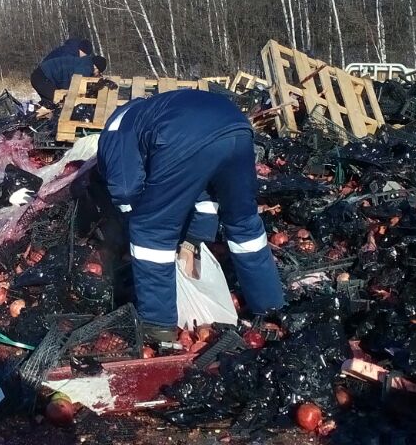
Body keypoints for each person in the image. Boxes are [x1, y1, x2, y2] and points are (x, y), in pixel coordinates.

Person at [96, 89, 284, 342]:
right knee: (244, 223)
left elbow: (126, 189)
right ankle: (270, 307)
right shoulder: (154, 111)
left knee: (150, 231)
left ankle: (157, 324)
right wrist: (193, 239)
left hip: (183, 135)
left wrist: (131, 225)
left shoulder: (116, 128)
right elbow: (202, 190)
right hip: (237, 128)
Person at [31, 53, 107, 108]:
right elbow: (75, 84)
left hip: (40, 75)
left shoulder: (84, 62)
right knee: (59, 101)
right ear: (96, 67)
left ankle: (34, 121)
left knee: (49, 105)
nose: (97, 74)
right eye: (99, 72)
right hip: (42, 77)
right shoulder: (86, 68)